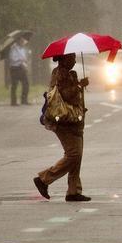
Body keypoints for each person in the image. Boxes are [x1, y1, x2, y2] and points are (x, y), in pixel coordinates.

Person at [33, 54, 91, 202]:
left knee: (77, 156)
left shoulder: (71, 74)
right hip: (63, 121)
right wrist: (79, 86)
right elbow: (66, 95)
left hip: (74, 119)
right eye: (72, 58)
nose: (75, 61)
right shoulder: (59, 74)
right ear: (63, 59)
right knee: (73, 154)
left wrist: (78, 84)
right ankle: (44, 179)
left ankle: (74, 190)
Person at [8, 37, 30, 106]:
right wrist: (20, 59)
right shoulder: (13, 49)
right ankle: (13, 102)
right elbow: (12, 58)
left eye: (23, 41)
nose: (23, 42)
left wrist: (25, 60)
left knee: (26, 84)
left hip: (22, 68)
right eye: (22, 41)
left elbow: (24, 58)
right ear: (18, 41)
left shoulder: (22, 49)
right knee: (14, 85)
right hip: (15, 68)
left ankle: (24, 100)